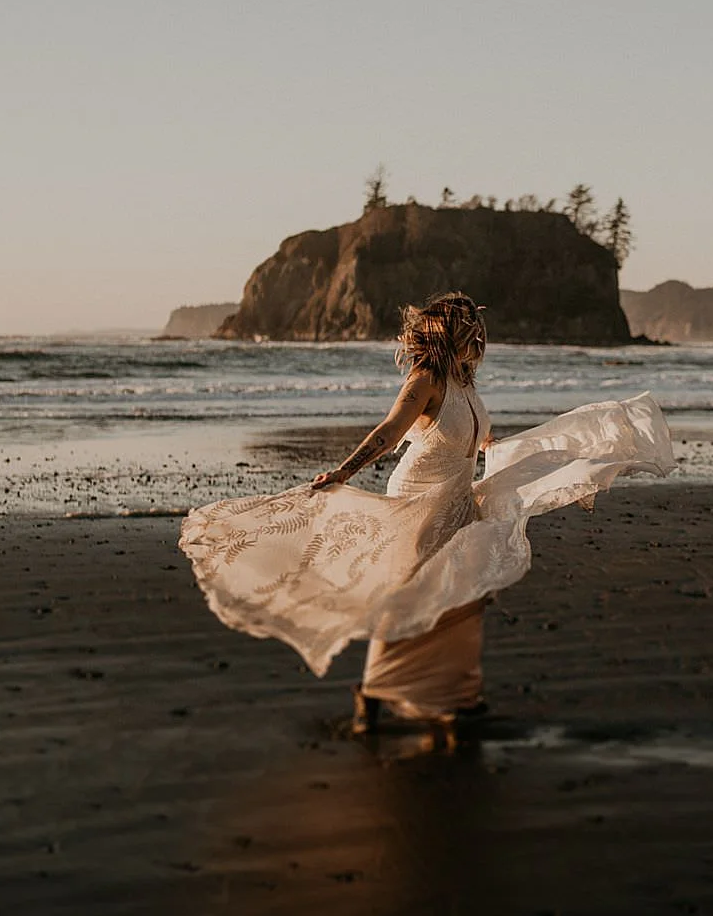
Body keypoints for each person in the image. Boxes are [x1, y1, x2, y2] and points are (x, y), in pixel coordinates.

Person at [181, 292, 674, 733]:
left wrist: (544, 459)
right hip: (418, 501)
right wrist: (343, 473)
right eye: (468, 327)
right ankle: (378, 691)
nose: (477, 336)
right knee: (413, 599)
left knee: (463, 596)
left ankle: (449, 696)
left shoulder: (465, 382)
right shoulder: (426, 380)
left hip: (458, 502)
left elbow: (479, 439)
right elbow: (387, 433)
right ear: (450, 333)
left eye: (476, 328)